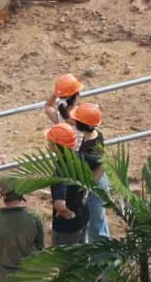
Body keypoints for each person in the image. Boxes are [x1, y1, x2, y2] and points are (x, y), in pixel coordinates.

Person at [69, 103, 111, 241]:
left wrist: (89, 186)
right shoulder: (95, 135)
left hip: (94, 182)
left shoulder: (89, 147)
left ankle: (101, 249)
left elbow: (101, 164)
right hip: (96, 180)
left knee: (96, 220)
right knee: (95, 218)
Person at [45, 123, 90, 246]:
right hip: (83, 215)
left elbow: (60, 204)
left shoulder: (60, 169)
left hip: (67, 227)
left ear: (54, 145)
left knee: (65, 256)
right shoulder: (79, 156)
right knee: (82, 251)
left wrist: (65, 213)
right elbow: (100, 163)